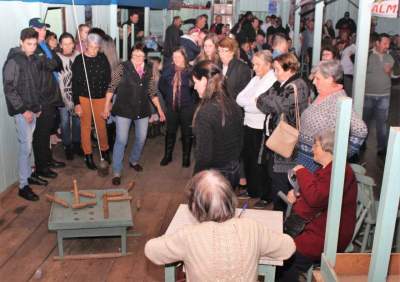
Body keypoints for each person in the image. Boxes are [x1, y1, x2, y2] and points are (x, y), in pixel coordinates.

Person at [145, 170, 296, 281]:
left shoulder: (189, 236)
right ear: (231, 200)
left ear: (195, 207)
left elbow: (151, 250)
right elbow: (288, 247)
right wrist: (255, 247)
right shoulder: (251, 228)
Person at [277, 130, 357, 281]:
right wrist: (298, 196)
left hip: (330, 235)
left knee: (286, 258)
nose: (312, 148)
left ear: (328, 149)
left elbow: (315, 198)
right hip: (320, 226)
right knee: (281, 249)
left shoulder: (339, 172)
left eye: (316, 145)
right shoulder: (330, 169)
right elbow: (318, 197)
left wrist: (301, 171)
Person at [103, 44, 165, 185]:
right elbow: (111, 87)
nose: (138, 58)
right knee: (121, 140)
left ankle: (134, 160)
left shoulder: (148, 69)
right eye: (135, 55)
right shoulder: (122, 67)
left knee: (142, 138)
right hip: (123, 109)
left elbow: (152, 91)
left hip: (142, 109)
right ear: (131, 55)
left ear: (145, 57)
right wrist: (106, 106)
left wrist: (160, 110)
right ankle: (117, 170)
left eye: (141, 55)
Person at [256, 53, 310, 212]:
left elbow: (276, 106)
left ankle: (282, 219)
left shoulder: (297, 86)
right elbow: (261, 101)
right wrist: (269, 100)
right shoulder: (279, 84)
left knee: (281, 182)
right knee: (274, 178)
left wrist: (269, 100)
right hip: (276, 140)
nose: (275, 73)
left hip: (288, 143)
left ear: (290, 68)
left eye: (277, 69)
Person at [296, 60, 367, 173]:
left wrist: (340, 155)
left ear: (329, 79)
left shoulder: (337, 99)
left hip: (316, 165)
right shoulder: (323, 95)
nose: (314, 82)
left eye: (318, 78)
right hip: (307, 158)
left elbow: (360, 129)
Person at [3, 28, 44, 200]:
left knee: (29, 145)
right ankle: (22, 186)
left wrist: (37, 106)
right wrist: (23, 110)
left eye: (35, 44)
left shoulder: (33, 58)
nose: (32, 47)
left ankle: (28, 175)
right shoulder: (14, 61)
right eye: (29, 44)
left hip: (33, 108)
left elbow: (36, 85)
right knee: (25, 148)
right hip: (22, 111)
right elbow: (9, 88)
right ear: (21, 42)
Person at [191, 60, 243, 187]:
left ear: (203, 80)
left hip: (215, 174)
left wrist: (196, 179)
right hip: (233, 169)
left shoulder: (206, 112)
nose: (194, 87)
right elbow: (240, 140)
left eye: (195, 82)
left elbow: (204, 156)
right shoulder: (232, 103)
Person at [236, 50, 277, 207]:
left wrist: (250, 103)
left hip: (261, 126)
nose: (254, 67)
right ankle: (253, 190)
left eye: (257, 64)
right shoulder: (255, 79)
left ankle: (264, 194)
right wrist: (251, 102)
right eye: (253, 64)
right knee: (249, 159)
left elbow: (260, 107)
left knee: (261, 163)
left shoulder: (271, 79)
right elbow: (239, 98)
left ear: (268, 64)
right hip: (249, 124)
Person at [29, 18, 65, 180]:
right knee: (41, 134)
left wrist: (52, 60)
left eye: (44, 29)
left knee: (48, 131)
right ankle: (41, 168)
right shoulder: (33, 47)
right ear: (32, 29)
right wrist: (52, 61)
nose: (43, 31)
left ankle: (48, 161)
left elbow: (57, 63)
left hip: (51, 94)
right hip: (42, 97)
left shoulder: (43, 45)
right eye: (40, 29)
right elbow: (52, 64)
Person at [72, 33, 111, 170]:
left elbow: (108, 81)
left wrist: (108, 101)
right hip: (84, 97)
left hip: (100, 97)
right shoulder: (79, 60)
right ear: (86, 45)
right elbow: (75, 83)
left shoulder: (102, 58)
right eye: (91, 47)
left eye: (96, 48)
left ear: (99, 47)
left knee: (101, 125)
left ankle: (105, 150)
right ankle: (87, 155)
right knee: (85, 127)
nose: (93, 50)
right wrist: (77, 103)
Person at [158, 47, 197, 167]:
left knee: (187, 132)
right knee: (170, 131)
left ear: (184, 57)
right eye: (174, 57)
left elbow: (196, 88)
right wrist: (168, 97)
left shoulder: (191, 71)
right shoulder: (168, 70)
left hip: (187, 107)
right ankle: (167, 155)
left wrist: (192, 101)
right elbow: (161, 85)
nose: (176, 59)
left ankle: (186, 158)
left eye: (179, 57)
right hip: (172, 107)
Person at [363, 33, 394, 158]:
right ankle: (361, 144)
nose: (387, 46)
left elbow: (396, 75)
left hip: (384, 95)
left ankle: (382, 148)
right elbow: (358, 71)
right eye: (385, 43)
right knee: (364, 122)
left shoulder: (390, 57)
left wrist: (390, 72)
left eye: (388, 44)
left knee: (382, 124)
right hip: (367, 94)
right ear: (377, 43)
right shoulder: (368, 56)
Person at [57, 32, 81, 160]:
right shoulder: (56, 57)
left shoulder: (79, 56)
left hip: (77, 96)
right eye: (64, 44)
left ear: (74, 44)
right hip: (62, 96)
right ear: (60, 45)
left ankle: (77, 144)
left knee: (77, 122)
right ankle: (67, 145)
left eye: (70, 43)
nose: (67, 46)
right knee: (65, 123)